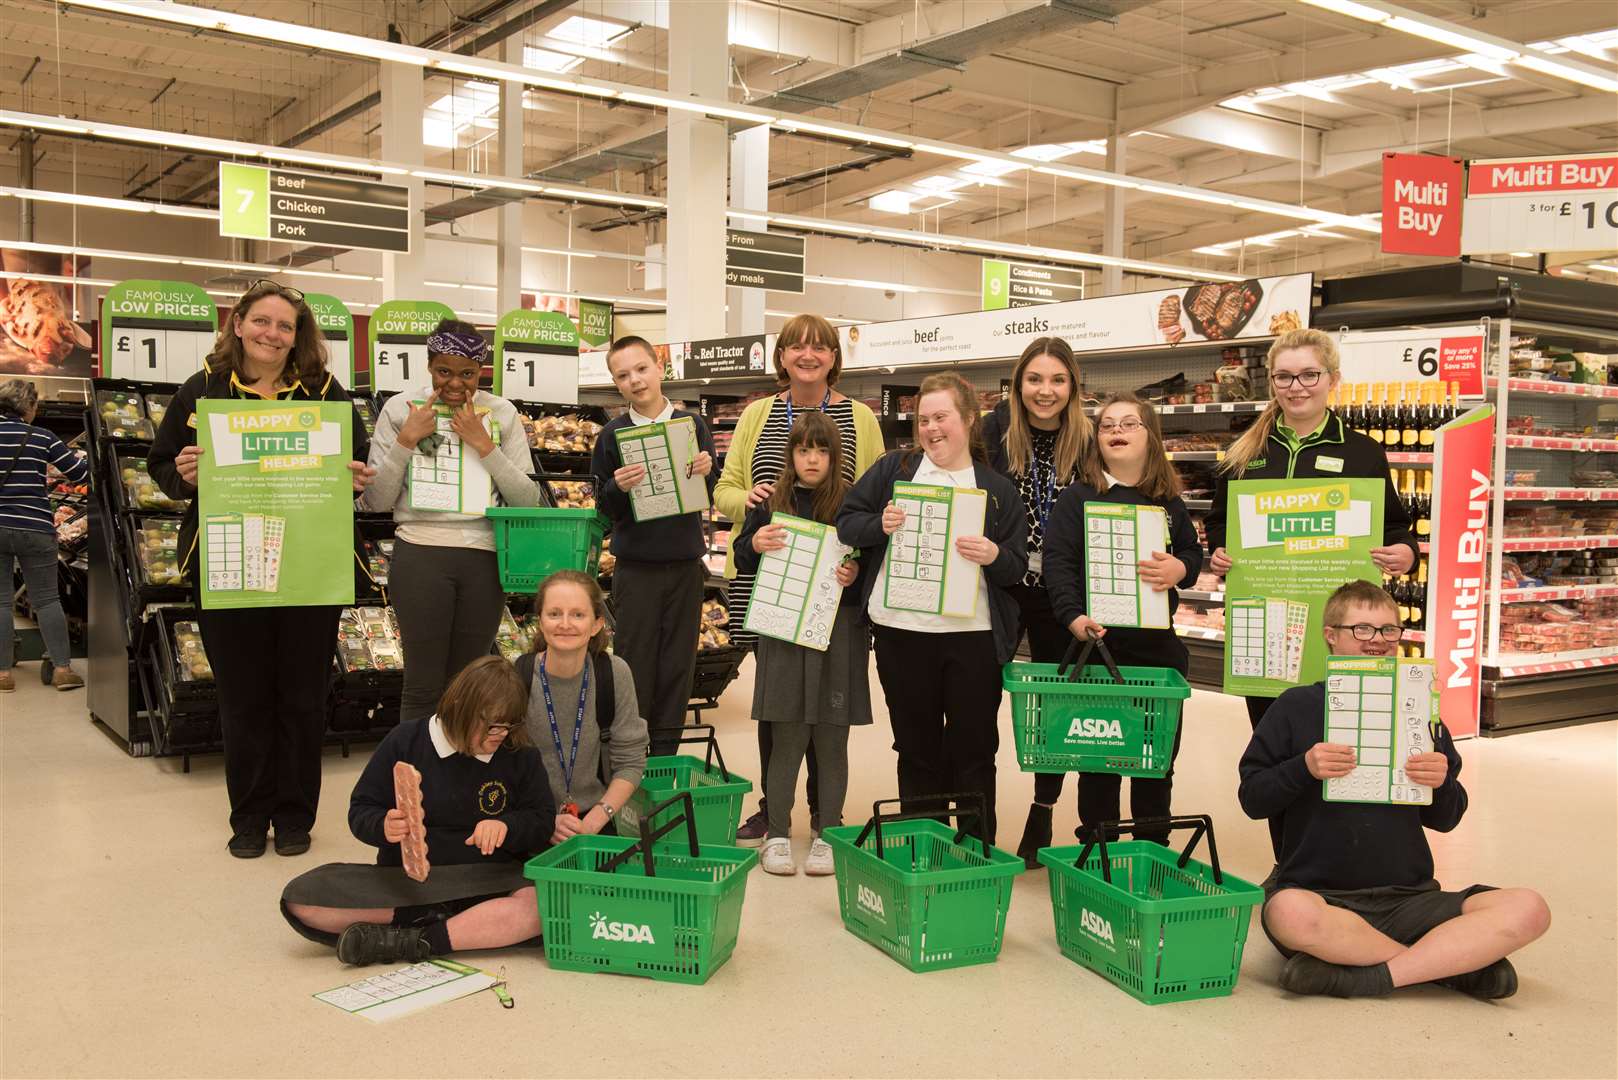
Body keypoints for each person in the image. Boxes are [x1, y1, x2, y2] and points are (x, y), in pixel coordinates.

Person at [147, 279, 377, 859]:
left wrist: (352, 478)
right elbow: (160, 465)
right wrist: (185, 475)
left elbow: (356, 463)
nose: (272, 335)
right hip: (229, 562)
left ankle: (296, 817)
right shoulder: (202, 389)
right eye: (262, 322)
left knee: (302, 697)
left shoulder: (325, 391)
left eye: (285, 326)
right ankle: (248, 817)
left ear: (299, 337)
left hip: (310, 561)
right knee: (243, 698)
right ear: (238, 323)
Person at [1238, 580, 1550, 999]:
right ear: (1331, 635)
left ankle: (1368, 974)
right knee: (1288, 914)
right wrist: (1304, 767)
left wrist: (1441, 785)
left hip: (1410, 899)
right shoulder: (1295, 706)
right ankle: (1449, 967)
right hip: (1320, 896)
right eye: (1362, 629)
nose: (1378, 641)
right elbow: (1252, 799)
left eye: (1388, 630)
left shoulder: (1422, 713)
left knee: (1530, 908)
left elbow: (1447, 818)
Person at [1205, 328, 1418, 859]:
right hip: (1269, 634)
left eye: (1308, 375)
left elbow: (1397, 528)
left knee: (1345, 750)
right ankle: (1290, 864)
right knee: (1279, 757)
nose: (1296, 387)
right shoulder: (1243, 451)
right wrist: (1220, 552)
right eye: (1284, 376)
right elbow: (1217, 524)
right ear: (1272, 381)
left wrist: (1405, 554)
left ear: (1332, 381)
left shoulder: (1362, 453)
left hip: (1343, 638)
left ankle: (1342, 863)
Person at [714, 314, 884, 845]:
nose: (808, 355)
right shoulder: (756, 415)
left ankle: (823, 810)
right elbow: (724, 491)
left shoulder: (860, 418)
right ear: (782, 356)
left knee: (828, 705)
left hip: (836, 587)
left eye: (819, 347)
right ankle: (775, 810)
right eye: (796, 347)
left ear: (835, 356)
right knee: (778, 703)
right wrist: (749, 503)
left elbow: (881, 496)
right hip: (772, 582)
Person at [837, 372, 1027, 844]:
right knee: (916, 749)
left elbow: (1017, 566)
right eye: (923, 419)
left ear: (968, 420)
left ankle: (976, 852)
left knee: (975, 750)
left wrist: (994, 556)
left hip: (973, 639)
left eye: (941, 417)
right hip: (902, 633)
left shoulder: (997, 490)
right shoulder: (894, 471)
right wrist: (879, 524)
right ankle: (926, 847)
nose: (931, 428)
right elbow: (847, 522)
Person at [280, 656, 554, 965]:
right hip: (405, 884)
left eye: (508, 726)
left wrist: (508, 826)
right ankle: (441, 922)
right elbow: (361, 809)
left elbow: (543, 819)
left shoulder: (518, 752)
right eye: (491, 726)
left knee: (541, 906)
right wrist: (383, 825)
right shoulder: (405, 741)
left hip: (489, 881)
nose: (499, 736)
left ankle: (418, 941)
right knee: (300, 898)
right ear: (459, 709)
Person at [1035, 392, 1203, 866]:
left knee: (1155, 764)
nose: (1117, 431)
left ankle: (1152, 853)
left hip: (1158, 652)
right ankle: (1099, 850)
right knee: (1101, 761)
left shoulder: (1166, 500)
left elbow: (1192, 554)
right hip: (1099, 649)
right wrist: (1072, 617)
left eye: (1129, 423)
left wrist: (1181, 570)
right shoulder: (1078, 497)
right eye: (1108, 424)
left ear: (1150, 436)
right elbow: (1059, 563)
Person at [361, 319, 539, 723]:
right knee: (422, 685)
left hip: (483, 558)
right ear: (428, 366)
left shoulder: (502, 413)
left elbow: (528, 499)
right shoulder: (399, 409)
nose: (456, 384)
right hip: (420, 554)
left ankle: (459, 777)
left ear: (482, 372)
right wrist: (406, 440)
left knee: (469, 683)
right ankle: (414, 778)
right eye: (444, 371)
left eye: (468, 374)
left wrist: (484, 445)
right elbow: (375, 501)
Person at [733, 412, 868, 877]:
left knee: (832, 738)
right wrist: (758, 541)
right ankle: (776, 832)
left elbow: (871, 560)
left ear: (836, 456)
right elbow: (741, 553)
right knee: (786, 735)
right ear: (791, 454)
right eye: (803, 450)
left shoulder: (852, 503)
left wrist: (855, 574)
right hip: (784, 631)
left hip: (837, 633)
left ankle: (828, 832)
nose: (812, 459)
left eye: (822, 450)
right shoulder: (772, 499)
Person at [979, 338, 1092, 857]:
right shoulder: (994, 431)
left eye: (1057, 380)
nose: (1045, 392)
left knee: (1053, 703)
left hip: (1063, 591)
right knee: (980, 696)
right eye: (1035, 379)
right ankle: (977, 813)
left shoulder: (1090, 439)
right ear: (1018, 383)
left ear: (1072, 386)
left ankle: (1043, 811)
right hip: (998, 582)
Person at [590, 336, 715, 756]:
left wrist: (706, 470)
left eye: (641, 369)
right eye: (623, 375)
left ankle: (665, 759)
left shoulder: (691, 425)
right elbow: (602, 508)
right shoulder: (612, 435)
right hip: (635, 570)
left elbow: (708, 490)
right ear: (615, 383)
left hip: (684, 568)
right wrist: (616, 487)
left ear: (659, 366)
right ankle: (629, 760)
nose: (635, 381)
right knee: (633, 667)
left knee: (678, 669)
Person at [521, 570, 648, 845]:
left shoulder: (613, 674)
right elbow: (496, 763)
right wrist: (544, 821)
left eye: (578, 615)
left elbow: (630, 761)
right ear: (540, 621)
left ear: (596, 624)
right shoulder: (517, 676)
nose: (565, 624)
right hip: (528, 819)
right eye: (554, 613)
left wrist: (596, 820)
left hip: (596, 817)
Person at [0, 378, 89, 692]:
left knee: (0, 603)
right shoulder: (42, 437)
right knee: (48, 600)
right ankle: (63, 669)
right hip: (36, 527)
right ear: (29, 406)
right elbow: (81, 474)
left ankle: (3, 675)